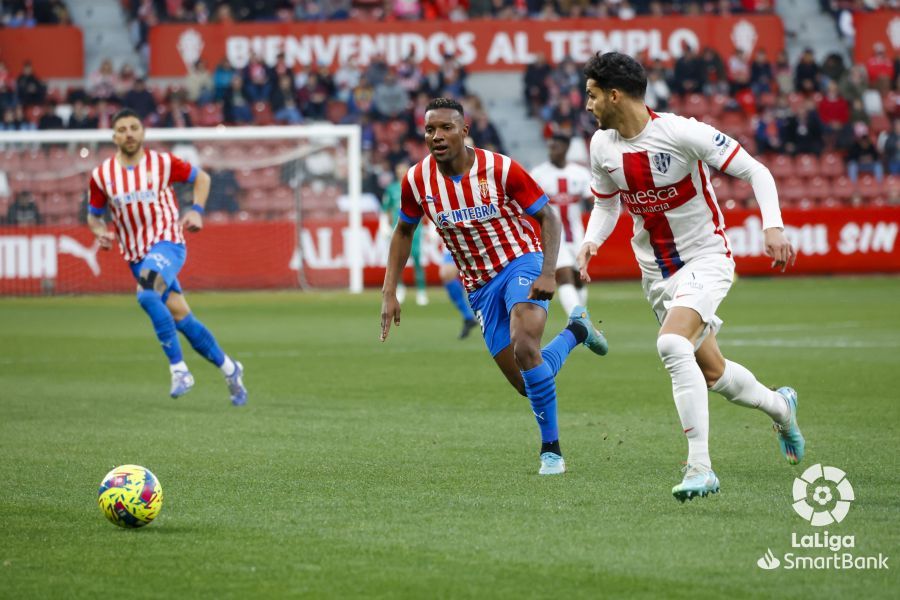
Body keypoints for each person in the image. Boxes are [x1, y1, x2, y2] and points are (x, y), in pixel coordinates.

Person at [576, 52, 805, 502]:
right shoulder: (601, 146)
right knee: (714, 373)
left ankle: (700, 467)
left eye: (592, 95)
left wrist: (773, 226)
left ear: (614, 95)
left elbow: (756, 171)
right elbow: (606, 203)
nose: (587, 104)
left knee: (670, 344)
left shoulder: (682, 133)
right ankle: (782, 407)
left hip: (705, 258)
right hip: (656, 275)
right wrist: (591, 241)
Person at [380, 98, 608, 475]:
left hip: (521, 260)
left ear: (464, 131)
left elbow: (549, 218)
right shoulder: (417, 181)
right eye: (430, 129)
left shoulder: (500, 169)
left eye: (446, 128)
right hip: (479, 285)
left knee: (525, 343)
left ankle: (551, 451)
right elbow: (404, 230)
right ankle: (577, 332)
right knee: (525, 382)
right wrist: (389, 291)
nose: (437, 136)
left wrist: (548, 272)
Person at [86, 108, 247, 405]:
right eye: (122, 129)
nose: (129, 134)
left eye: (134, 127)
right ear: (114, 136)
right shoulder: (101, 176)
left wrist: (196, 210)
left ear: (143, 132)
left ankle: (179, 370)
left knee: (147, 295)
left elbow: (202, 178)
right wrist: (99, 232)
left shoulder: (163, 163)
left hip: (167, 244)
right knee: (181, 317)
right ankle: (231, 369)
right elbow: (94, 216)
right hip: (136, 256)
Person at [530, 134, 592, 316]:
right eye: (550, 147)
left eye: (555, 147)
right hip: (553, 236)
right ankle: (578, 319)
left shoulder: (580, 173)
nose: (552, 151)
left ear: (566, 148)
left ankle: (579, 320)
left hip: (577, 234)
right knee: (564, 274)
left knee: (578, 278)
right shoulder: (538, 174)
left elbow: (594, 201)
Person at [381, 161, 428, 306]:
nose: (401, 173)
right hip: (398, 229)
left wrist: (431, 227)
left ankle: (421, 290)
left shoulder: (416, 186)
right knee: (397, 260)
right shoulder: (392, 189)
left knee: (417, 259)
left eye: (403, 171)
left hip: (416, 229)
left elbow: (426, 206)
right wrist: (384, 225)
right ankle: (400, 288)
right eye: (399, 171)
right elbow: (386, 209)